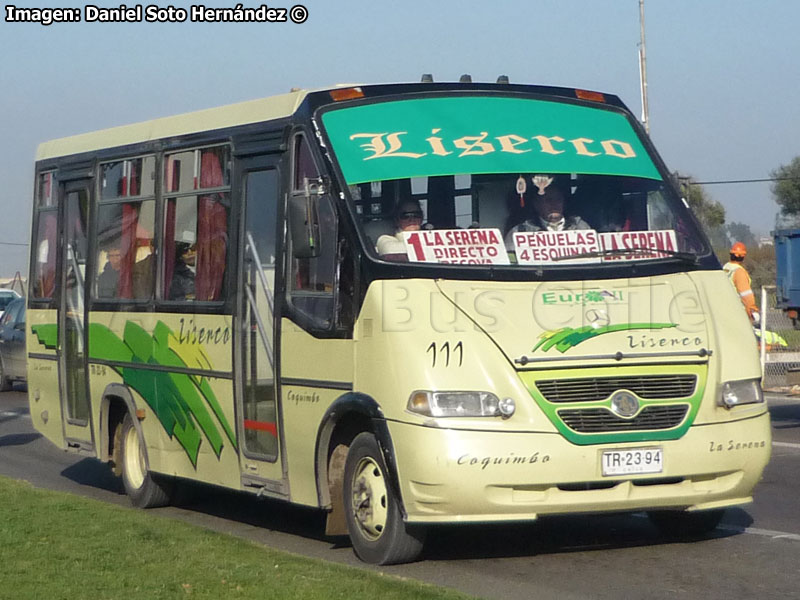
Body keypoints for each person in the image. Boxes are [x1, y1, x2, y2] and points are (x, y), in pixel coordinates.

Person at [504, 176, 591, 249]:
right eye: (548, 200)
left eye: (558, 199)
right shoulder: (520, 232)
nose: (554, 204)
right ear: (536, 204)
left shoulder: (581, 227)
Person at [723, 241, 760, 324]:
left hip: (723, 310)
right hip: (737, 312)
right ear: (743, 256)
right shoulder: (739, 272)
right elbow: (746, 294)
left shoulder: (725, 268)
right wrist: (752, 309)